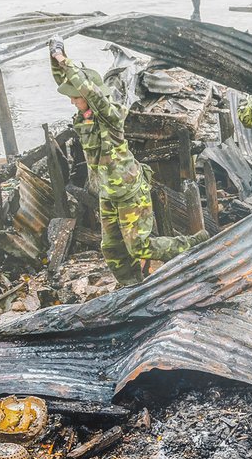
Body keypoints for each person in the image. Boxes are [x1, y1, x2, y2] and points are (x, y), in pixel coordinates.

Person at [49, 37, 208, 287]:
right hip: (108, 192)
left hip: (129, 190)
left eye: (75, 97)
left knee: (139, 246)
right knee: (111, 248)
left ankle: (193, 243)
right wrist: (55, 53)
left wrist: (63, 60)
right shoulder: (84, 117)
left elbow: (88, 89)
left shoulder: (109, 115)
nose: (72, 101)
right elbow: (67, 82)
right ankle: (131, 287)